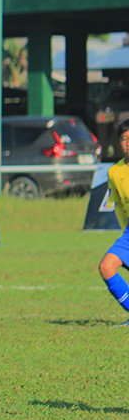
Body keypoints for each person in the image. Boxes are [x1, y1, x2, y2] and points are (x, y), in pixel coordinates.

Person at [100, 118, 129, 326]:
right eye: (124, 138)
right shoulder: (115, 171)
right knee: (107, 267)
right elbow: (118, 205)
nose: (127, 142)